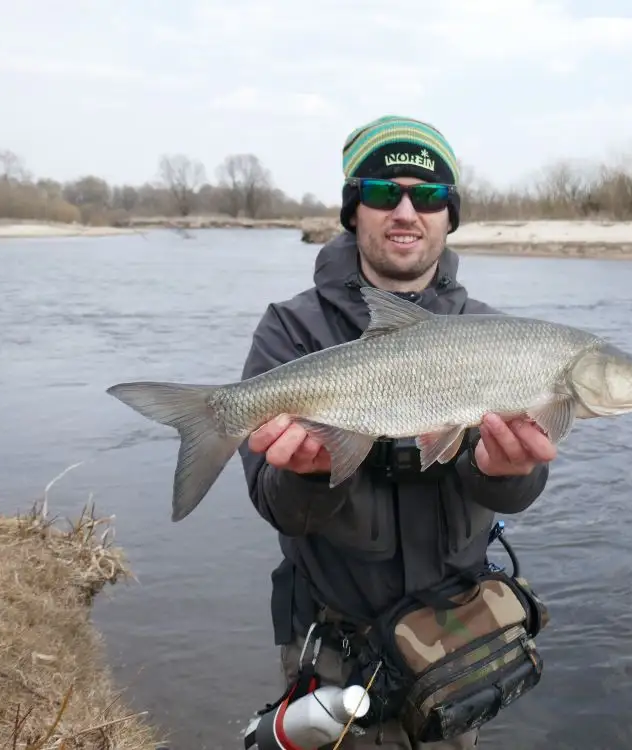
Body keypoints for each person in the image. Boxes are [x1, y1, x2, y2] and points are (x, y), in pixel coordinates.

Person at [237, 115, 557, 749]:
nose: (407, 210)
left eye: (430, 195)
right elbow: (276, 505)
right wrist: (311, 473)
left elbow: (516, 489)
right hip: (334, 650)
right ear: (355, 211)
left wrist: (508, 471)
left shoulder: (495, 336)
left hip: (456, 643)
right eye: (385, 193)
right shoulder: (289, 331)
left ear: (448, 216)